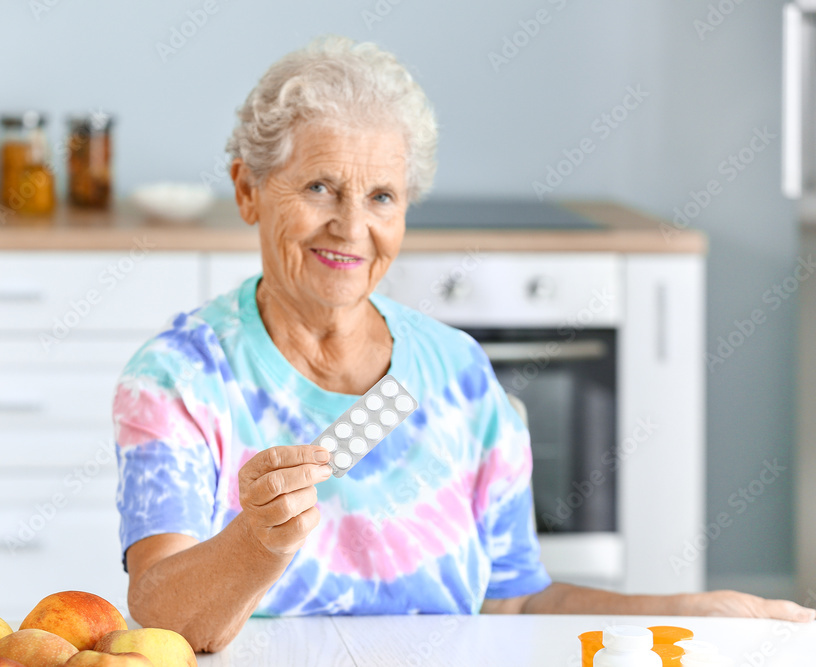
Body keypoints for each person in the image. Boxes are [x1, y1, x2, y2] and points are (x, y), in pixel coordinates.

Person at [111, 35, 815, 653]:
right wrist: (256, 542)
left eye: (382, 196)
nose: (352, 227)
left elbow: (513, 603)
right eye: (321, 187)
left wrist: (694, 612)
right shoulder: (178, 379)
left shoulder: (460, 374)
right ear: (247, 190)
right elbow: (161, 616)